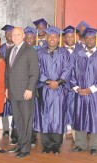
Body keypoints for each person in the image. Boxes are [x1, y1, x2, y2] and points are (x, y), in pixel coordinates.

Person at [70, 28, 97, 156]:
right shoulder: (77, 54)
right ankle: (81, 144)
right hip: (80, 93)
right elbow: (72, 73)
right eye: (88, 38)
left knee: (95, 118)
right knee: (80, 117)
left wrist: (90, 89)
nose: (90, 40)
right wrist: (77, 88)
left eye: (92, 38)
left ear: (96, 40)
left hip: (95, 94)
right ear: (84, 40)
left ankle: (93, 146)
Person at [35, 26, 72, 154]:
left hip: (59, 90)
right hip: (45, 89)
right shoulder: (40, 53)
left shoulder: (65, 53)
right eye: (50, 36)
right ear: (46, 38)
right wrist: (47, 81)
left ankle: (56, 144)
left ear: (58, 39)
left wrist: (58, 82)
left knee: (58, 115)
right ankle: (46, 144)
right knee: (44, 115)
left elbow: (68, 69)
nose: (52, 39)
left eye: (55, 37)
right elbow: (37, 69)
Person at [6, 27, 39, 158]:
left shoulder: (30, 50)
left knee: (26, 121)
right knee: (18, 121)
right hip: (13, 93)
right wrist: (7, 88)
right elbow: (8, 72)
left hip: (25, 93)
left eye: (18, 35)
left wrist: (30, 89)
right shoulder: (9, 51)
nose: (15, 37)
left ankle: (25, 149)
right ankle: (20, 144)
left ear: (23, 36)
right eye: (13, 35)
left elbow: (34, 72)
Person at [62, 25, 83, 141]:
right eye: (67, 37)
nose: (70, 39)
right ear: (64, 38)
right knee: (64, 108)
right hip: (64, 86)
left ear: (75, 37)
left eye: (72, 36)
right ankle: (66, 130)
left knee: (76, 109)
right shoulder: (60, 50)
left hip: (77, 86)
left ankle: (76, 133)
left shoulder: (81, 50)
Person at [24, 26, 39, 146]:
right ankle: (23, 136)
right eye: (27, 38)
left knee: (34, 113)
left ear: (35, 39)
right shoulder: (21, 50)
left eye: (31, 38)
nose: (29, 40)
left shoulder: (40, 50)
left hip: (38, 86)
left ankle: (33, 136)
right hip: (24, 86)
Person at [0, 24, 14, 138]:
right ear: (5, 35)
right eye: (7, 33)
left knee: (14, 105)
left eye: (11, 33)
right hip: (3, 80)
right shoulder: (0, 48)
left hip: (14, 80)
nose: (9, 35)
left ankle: (14, 128)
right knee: (3, 105)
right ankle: (5, 128)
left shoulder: (18, 48)